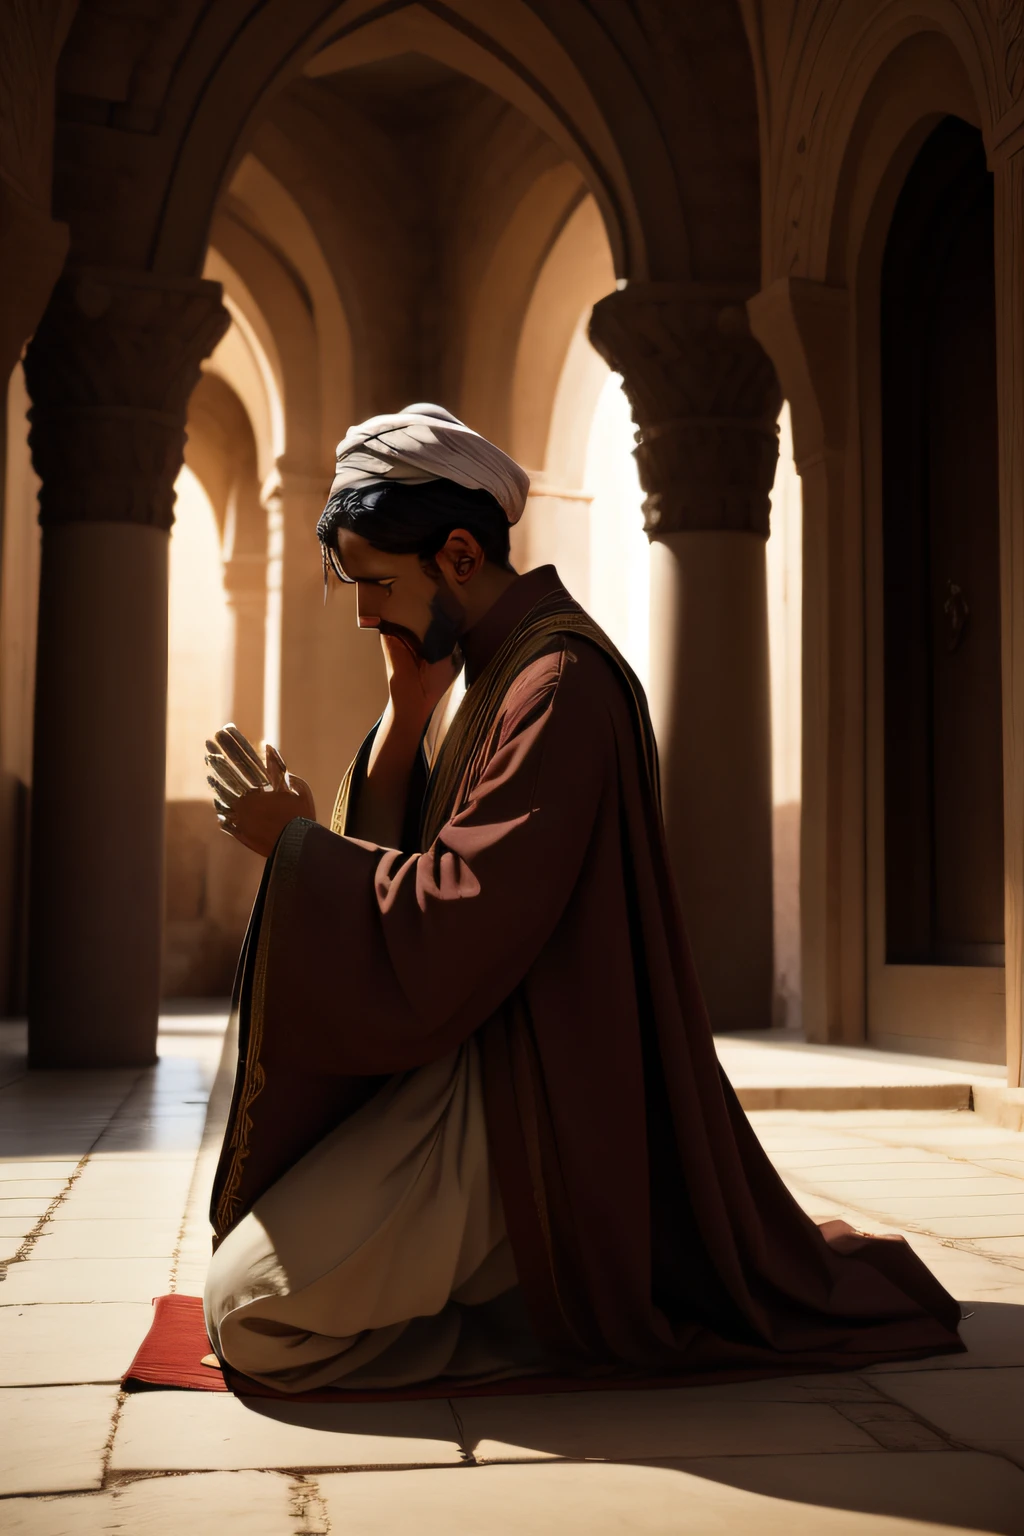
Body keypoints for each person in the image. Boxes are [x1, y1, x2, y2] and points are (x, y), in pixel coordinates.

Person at [203, 403, 963, 1393]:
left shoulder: (556, 684)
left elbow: (454, 922)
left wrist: (293, 845)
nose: (362, 615)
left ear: (461, 554)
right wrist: (401, 724)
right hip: (469, 1065)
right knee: (249, 1300)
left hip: (527, 1099)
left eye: (377, 583)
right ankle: (516, 1291)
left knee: (251, 1317)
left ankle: (539, 1315)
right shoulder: (479, 676)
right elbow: (418, 871)